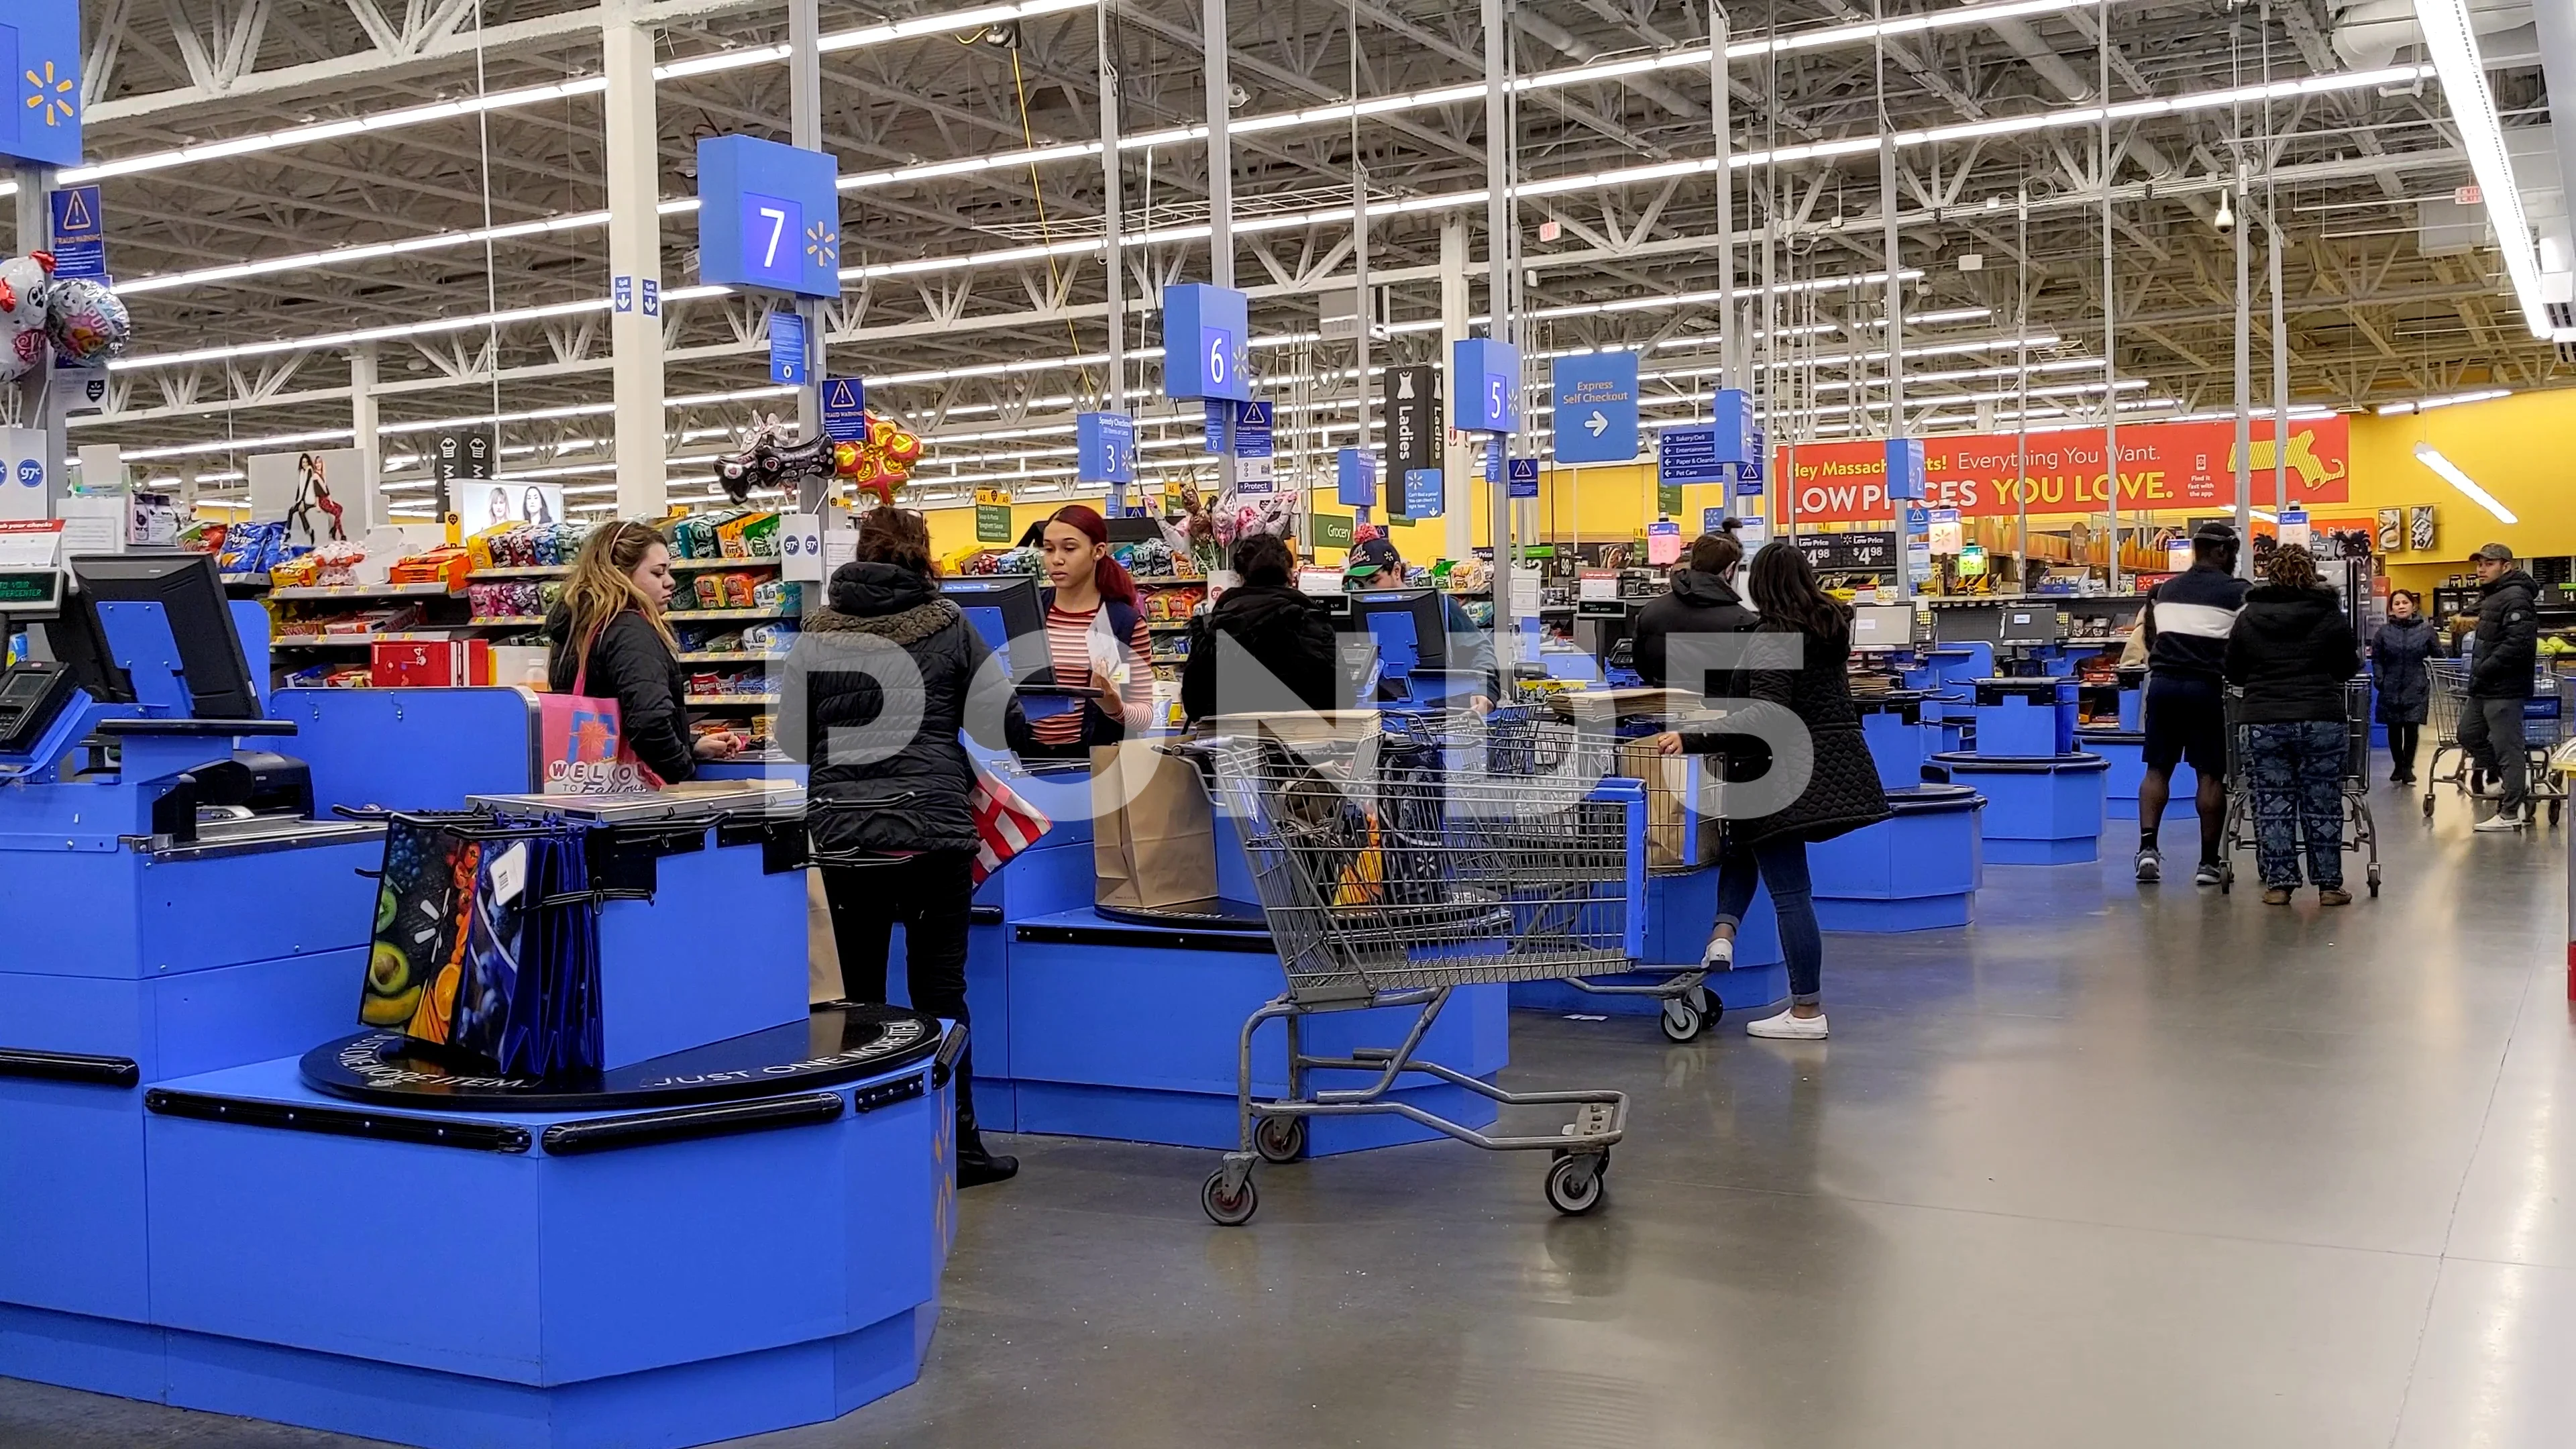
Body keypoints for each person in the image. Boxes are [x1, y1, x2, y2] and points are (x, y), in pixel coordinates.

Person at [786, 507, 1026, 1187]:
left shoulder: (817, 631)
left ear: (859, 554)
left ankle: (863, 1147)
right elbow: (1002, 720)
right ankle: (961, 1144)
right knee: (940, 993)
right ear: (921, 556)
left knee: (856, 996)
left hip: (843, 836)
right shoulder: (948, 624)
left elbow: (795, 739)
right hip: (933, 835)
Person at [1652, 544, 1890, 1040]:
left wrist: (1695, 736)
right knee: (1746, 844)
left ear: (1759, 585)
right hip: (1819, 765)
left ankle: (1806, 1011)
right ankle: (1723, 934)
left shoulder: (1776, 636)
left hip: (1779, 773)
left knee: (1791, 893)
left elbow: (1767, 713)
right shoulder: (1826, 627)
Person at [545, 521, 741, 782]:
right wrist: (683, 773)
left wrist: (689, 745)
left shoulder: (577, 626)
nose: (670, 582)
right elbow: (649, 722)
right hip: (636, 803)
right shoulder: (629, 629)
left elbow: (615, 715)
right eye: (658, 573)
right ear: (620, 574)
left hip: (585, 781)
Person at [2223, 545, 2361, 906]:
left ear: (2269, 572)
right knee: (2323, 801)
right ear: (2311, 571)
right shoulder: (2329, 614)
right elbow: (2348, 667)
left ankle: (2279, 885)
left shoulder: (2249, 616)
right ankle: (2330, 886)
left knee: (2270, 803)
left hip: (2262, 720)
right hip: (2321, 719)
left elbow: (2234, 670)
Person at [2134, 521, 2249, 886]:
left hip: (2164, 686)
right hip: (2207, 688)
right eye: (2233, 552)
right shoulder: (2240, 592)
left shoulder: (2164, 590)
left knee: (2157, 769)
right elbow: (2244, 646)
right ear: (2222, 552)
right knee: (2210, 774)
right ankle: (2208, 863)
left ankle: (2147, 849)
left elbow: (2151, 638)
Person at [1026, 504, 1155, 759]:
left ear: (1098, 551)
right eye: (1048, 549)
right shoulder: (1028, 612)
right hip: (1024, 761)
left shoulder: (1123, 624)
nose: (1056, 559)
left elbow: (1144, 716)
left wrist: (1114, 706)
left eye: (1070, 548)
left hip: (1096, 766)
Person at [1181, 532, 1340, 721]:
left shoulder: (1211, 630)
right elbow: (1341, 698)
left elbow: (1194, 705)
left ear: (1239, 576)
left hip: (1228, 746)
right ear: (1289, 575)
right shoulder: (1310, 623)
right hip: (1300, 745)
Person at [1346, 531, 1496, 707]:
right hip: (1376, 714)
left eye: (1373, 581)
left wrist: (1486, 689)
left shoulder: (1442, 606)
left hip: (1437, 716)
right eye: (1360, 584)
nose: (1365, 590)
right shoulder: (1353, 613)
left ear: (1396, 571)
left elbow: (1480, 649)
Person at [2459, 543, 2541, 833]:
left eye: (2488, 564)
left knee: (2509, 748)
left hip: (2505, 686)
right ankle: (2515, 781)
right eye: (2479, 563)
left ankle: (2511, 812)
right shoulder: (2494, 594)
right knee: (2468, 733)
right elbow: (2477, 613)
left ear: (2507, 566)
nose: (2481, 569)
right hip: (2484, 685)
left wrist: (2485, 667)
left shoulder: (2517, 597)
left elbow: (2518, 644)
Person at [1632, 530, 1756, 694]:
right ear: (1730, 570)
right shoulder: (1744, 622)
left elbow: (1643, 668)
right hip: (1723, 714)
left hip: (1665, 711)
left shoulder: (1651, 612)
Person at [2370, 590, 2438, 785]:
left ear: (2413, 606)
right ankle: (2397, 765)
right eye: (2397, 603)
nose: (2401, 606)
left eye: (2405, 603)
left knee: (2411, 727)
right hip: (2390, 685)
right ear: (2391, 608)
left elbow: (2438, 654)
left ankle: (2408, 768)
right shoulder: (2383, 632)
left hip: (2416, 685)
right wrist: (2380, 678)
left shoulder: (2426, 630)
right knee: (2393, 728)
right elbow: (2377, 658)